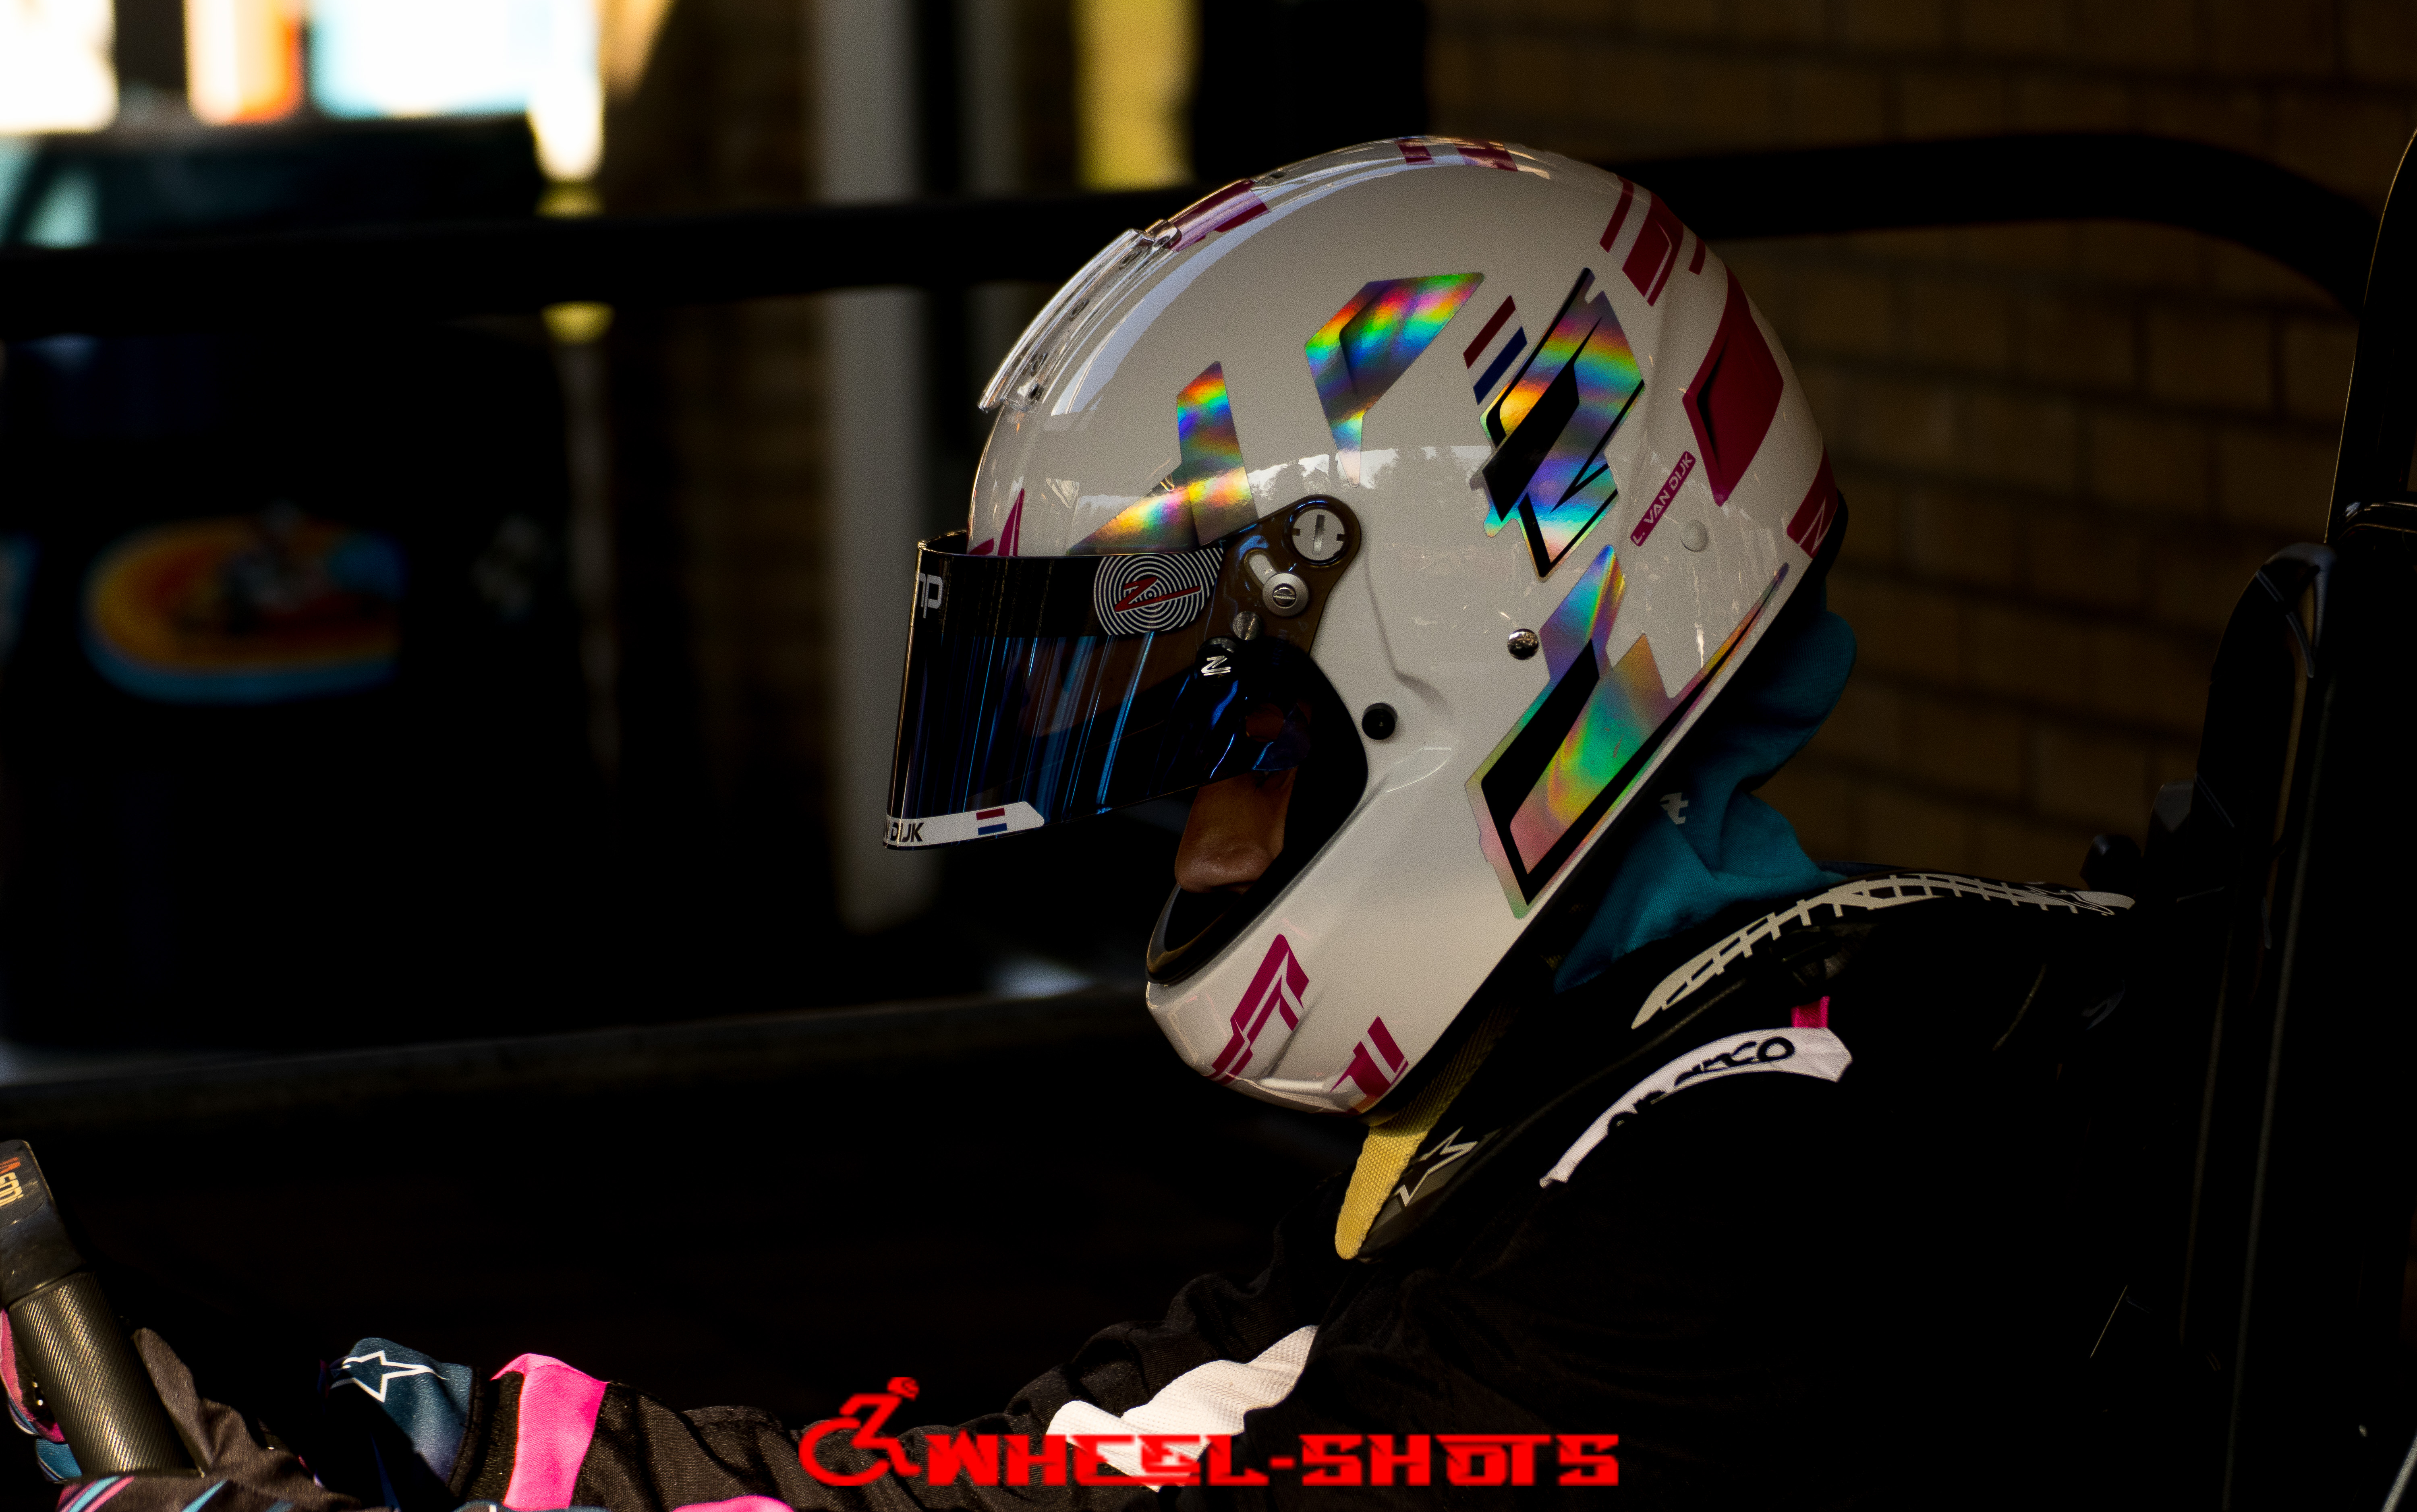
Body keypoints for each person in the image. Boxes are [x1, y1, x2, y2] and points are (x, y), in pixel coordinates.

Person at [18, 139, 2132, 1510]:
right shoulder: (1579, 1085)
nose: (1183, 837)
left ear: (1485, 646)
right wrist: (455, 1457)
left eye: (1223, 741)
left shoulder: (1755, 1192)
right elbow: (1074, 1462)